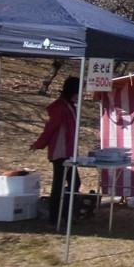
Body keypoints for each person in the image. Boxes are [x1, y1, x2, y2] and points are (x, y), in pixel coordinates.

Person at [30, 75, 81, 225]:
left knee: (74, 183)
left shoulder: (70, 106)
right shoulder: (60, 107)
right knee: (60, 184)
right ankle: (55, 217)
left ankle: (65, 214)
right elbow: (50, 128)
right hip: (61, 151)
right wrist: (39, 144)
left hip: (69, 151)